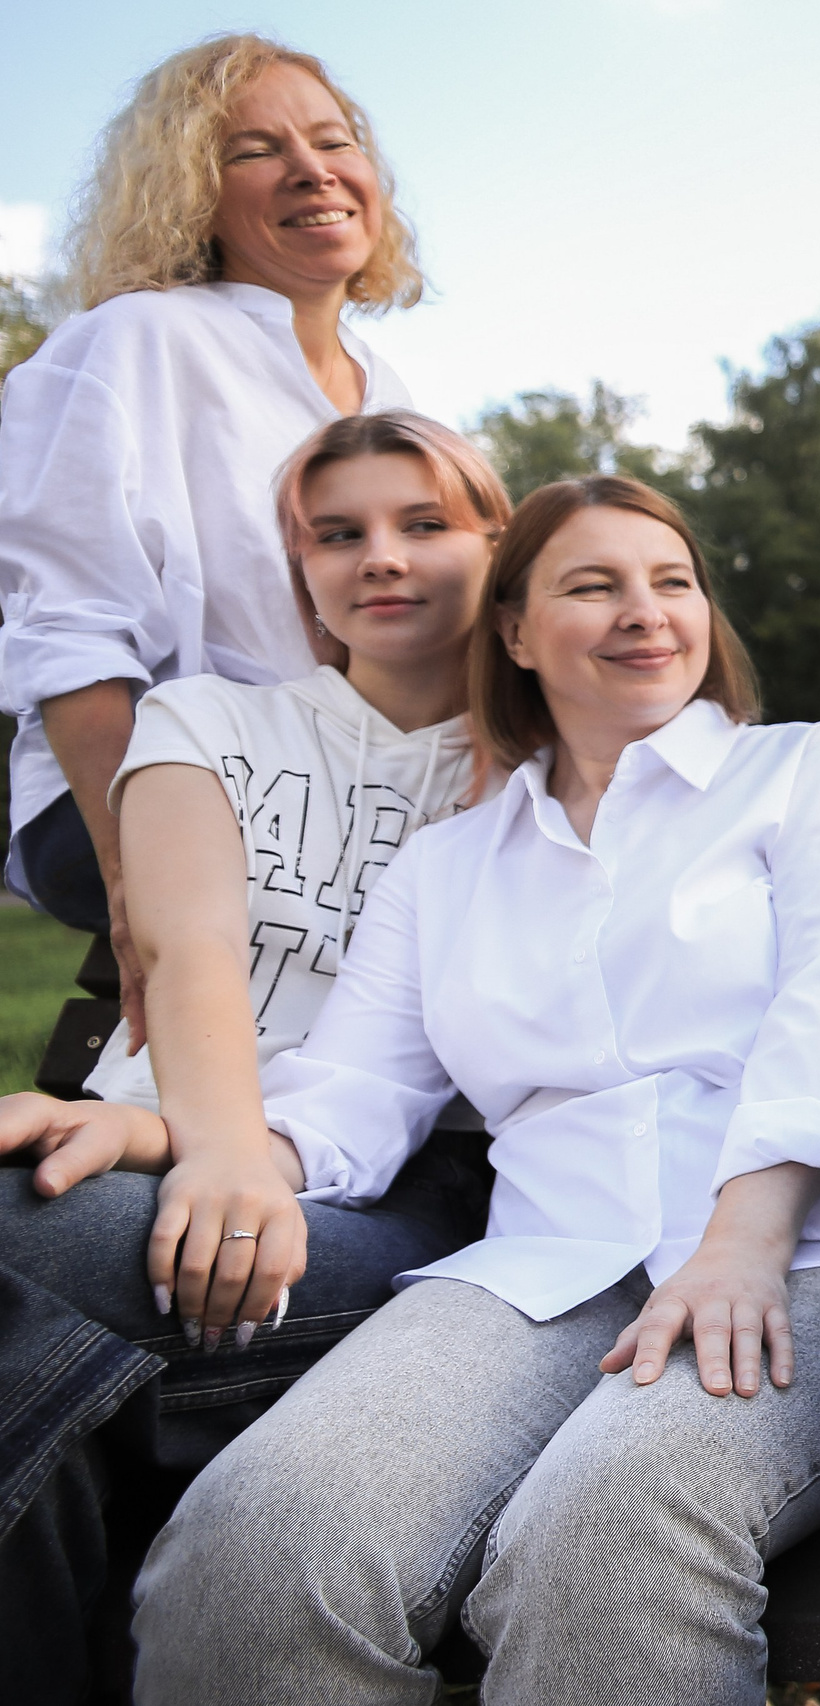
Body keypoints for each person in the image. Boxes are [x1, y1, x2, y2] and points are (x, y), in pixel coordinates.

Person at [129, 477, 820, 1705]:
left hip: (813, 1256)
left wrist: (740, 1241)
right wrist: (166, 1130)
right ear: (514, 632)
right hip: (543, 1267)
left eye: (671, 581)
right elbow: (350, 1094)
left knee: (603, 1536)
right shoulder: (448, 864)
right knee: (250, 1551)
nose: (646, 612)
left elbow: (817, 1015)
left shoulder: (798, 770)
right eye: (594, 585)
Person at [0, 411, 505, 1705]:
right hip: (181, 1146)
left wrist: (228, 1162)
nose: (379, 557)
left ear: (501, 544)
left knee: (27, 1249)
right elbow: (191, 947)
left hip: (380, 1194)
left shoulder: (536, 775)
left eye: (425, 523)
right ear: (303, 570)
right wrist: (203, 1143)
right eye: (338, 535)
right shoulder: (209, 717)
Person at [0, 33, 416, 993]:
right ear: (192, 190)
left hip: (355, 792)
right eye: (254, 150)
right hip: (155, 790)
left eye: (333, 139)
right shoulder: (130, 341)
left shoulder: (395, 397)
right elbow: (69, 627)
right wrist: (129, 878)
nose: (314, 170)